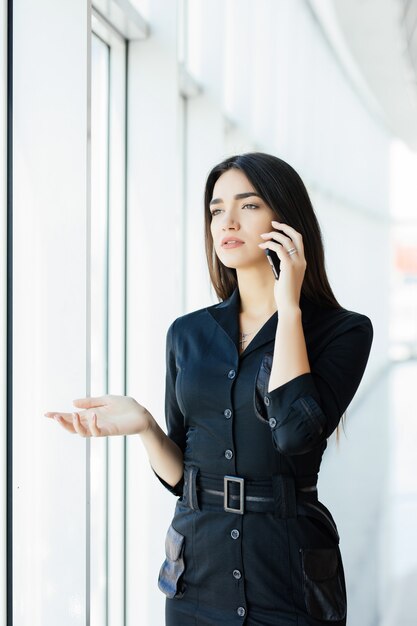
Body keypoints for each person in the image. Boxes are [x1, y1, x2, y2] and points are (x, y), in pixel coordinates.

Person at [45, 152, 373, 625]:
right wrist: (144, 426)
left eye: (249, 205)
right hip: (197, 576)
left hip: (289, 575)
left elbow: (295, 435)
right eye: (217, 210)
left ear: (288, 220)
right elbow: (183, 478)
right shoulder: (187, 334)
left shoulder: (342, 332)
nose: (228, 221)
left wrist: (289, 310)